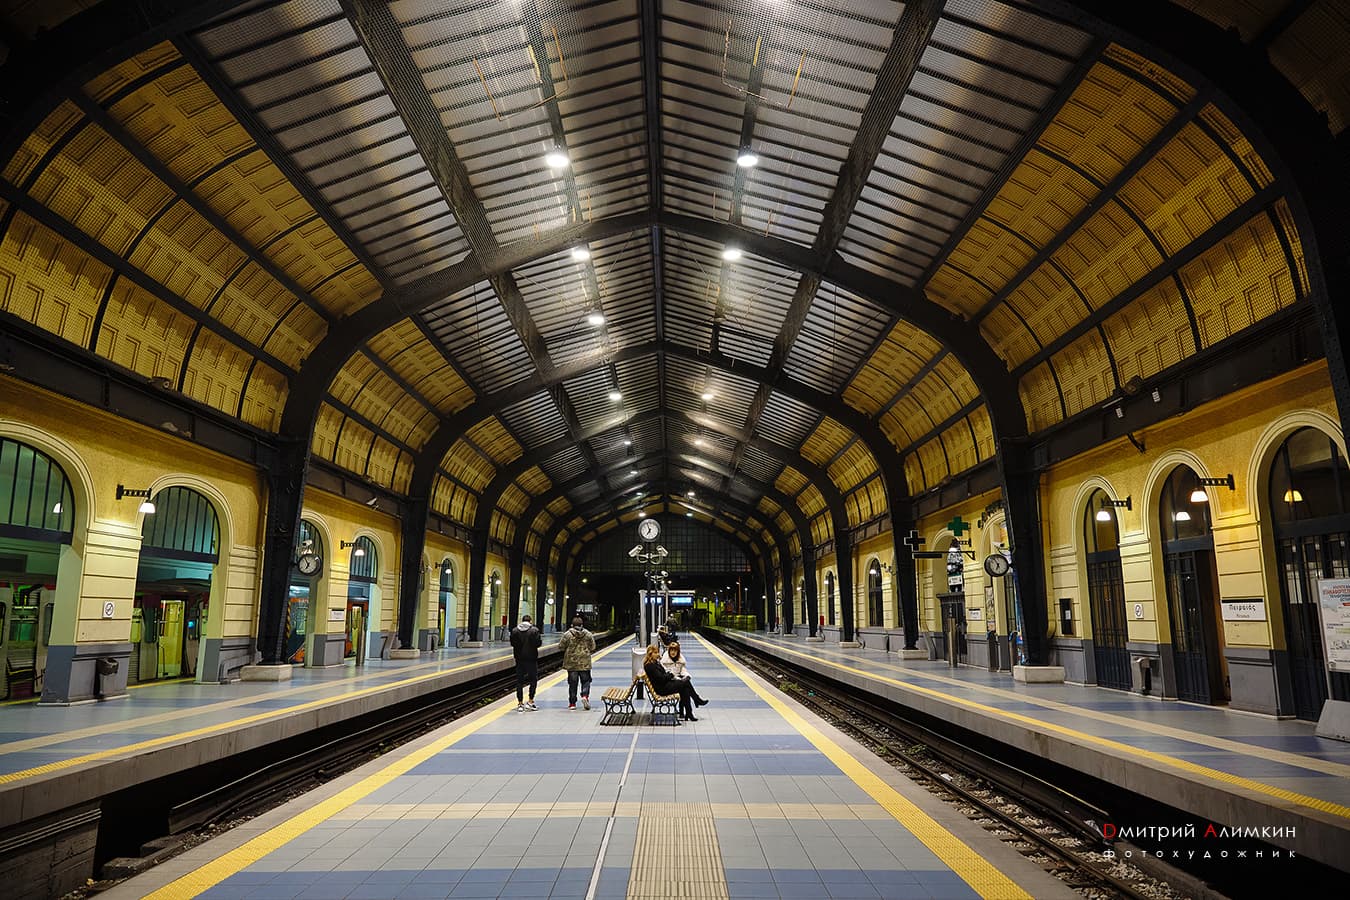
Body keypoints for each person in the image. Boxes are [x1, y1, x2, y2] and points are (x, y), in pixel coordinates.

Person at [643, 644, 698, 721]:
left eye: (657, 652)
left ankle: (688, 712)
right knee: (685, 683)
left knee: (685, 687)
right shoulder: (650, 666)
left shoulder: (655, 663)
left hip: (665, 685)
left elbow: (663, 675)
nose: (657, 654)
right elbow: (661, 678)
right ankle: (692, 707)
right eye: (655, 653)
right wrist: (670, 675)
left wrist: (668, 675)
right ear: (650, 654)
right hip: (662, 689)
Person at [559, 615, 596, 710]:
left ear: (572, 625)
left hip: (571, 664)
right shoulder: (588, 634)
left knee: (572, 683)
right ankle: (585, 696)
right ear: (582, 624)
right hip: (585, 663)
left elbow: (561, 647)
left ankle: (572, 704)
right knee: (586, 681)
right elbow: (593, 647)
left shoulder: (567, 634)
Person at [661, 641, 708, 710]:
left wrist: (687, 676)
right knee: (685, 685)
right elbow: (667, 674)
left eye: (675, 650)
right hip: (670, 681)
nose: (673, 652)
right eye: (671, 650)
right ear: (669, 651)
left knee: (685, 686)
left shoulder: (680, 659)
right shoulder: (665, 662)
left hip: (677, 680)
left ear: (678, 651)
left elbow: (682, 670)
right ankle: (696, 700)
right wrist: (678, 679)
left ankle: (685, 710)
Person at [510, 614, 542, 711]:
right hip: (531, 659)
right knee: (533, 680)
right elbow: (538, 643)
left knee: (519, 681)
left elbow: (512, 643)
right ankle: (530, 701)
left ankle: (520, 703)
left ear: (522, 620)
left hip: (519, 659)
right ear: (530, 621)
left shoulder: (515, 630)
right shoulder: (534, 630)